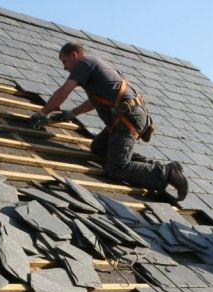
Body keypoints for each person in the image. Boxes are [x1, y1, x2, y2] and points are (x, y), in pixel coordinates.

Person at [29, 42, 188, 199]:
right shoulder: (93, 65)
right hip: (125, 117)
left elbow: (63, 93)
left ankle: (167, 174)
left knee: (117, 168)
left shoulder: (84, 64)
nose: (64, 67)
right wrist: (72, 113)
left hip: (127, 120)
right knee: (98, 148)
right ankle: (151, 167)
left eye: (64, 61)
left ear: (74, 55)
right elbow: (94, 102)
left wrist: (42, 113)